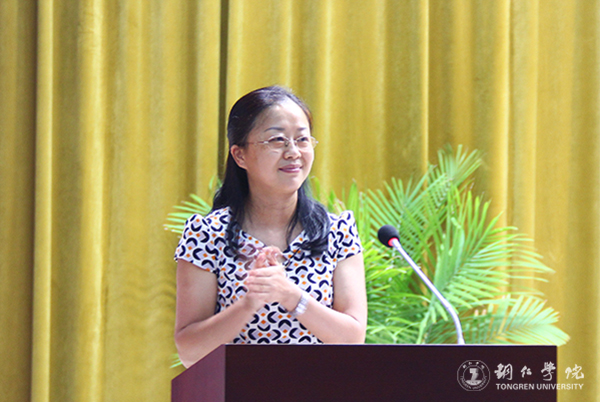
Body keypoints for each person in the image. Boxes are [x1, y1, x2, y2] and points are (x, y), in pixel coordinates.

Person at [174, 86, 367, 368]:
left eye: (302, 139)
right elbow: (189, 352)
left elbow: (353, 339)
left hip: (320, 385)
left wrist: (290, 295)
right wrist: (250, 303)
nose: (293, 152)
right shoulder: (207, 234)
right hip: (238, 387)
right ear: (240, 155)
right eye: (277, 140)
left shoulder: (337, 232)